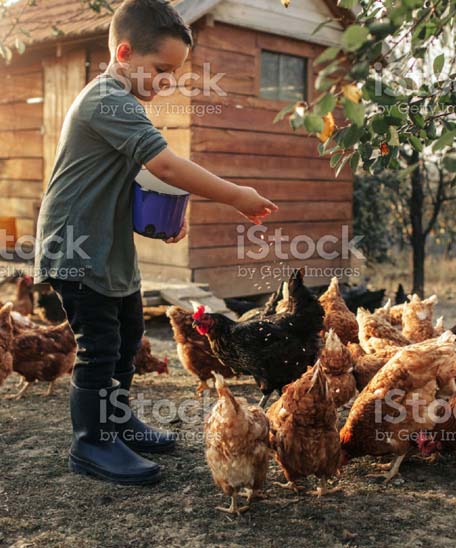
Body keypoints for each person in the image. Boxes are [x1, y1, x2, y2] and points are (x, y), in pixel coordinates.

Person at [33, 0, 277, 485]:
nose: (167, 81)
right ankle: (92, 444)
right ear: (123, 52)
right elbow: (164, 164)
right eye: (161, 70)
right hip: (77, 249)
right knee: (99, 349)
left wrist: (162, 218)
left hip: (110, 249)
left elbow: (130, 177)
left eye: (174, 72)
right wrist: (236, 196)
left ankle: (117, 421)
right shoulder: (107, 100)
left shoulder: (120, 104)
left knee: (125, 341)